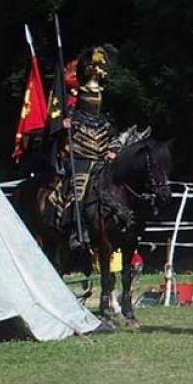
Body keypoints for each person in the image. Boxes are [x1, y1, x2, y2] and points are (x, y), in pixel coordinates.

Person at [58, 45, 120, 252]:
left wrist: (113, 149)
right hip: (80, 153)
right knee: (79, 189)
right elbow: (63, 120)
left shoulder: (105, 115)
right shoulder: (75, 108)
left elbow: (114, 132)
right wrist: (65, 124)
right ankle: (77, 230)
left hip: (101, 149)